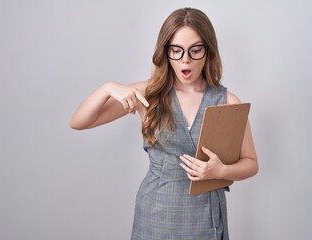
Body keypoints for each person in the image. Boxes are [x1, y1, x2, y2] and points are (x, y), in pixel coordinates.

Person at [70, 7, 258, 240]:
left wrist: (221, 171)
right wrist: (108, 87)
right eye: (176, 51)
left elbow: (251, 163)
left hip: (206, 218)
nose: (185, 60)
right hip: (156, 213)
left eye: (195, 50)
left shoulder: (227, 102)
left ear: (208, 51)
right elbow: (79, 122)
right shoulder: (147, 94)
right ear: (165, 52)